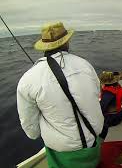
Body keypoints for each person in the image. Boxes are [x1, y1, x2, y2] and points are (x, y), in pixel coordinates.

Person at [17, 22, 104, 168]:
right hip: (93, 142)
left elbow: (31, 130)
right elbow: (97, 95)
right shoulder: (85, 65)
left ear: (43, 46)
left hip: (62, 152)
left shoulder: (27, 79)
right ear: (67, 41)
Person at [99, 71, 122, 139]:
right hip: (119, 115)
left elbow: (102, 108)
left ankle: (102, 139)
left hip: (112, 119)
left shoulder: (108, 93)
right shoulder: (117, 87)